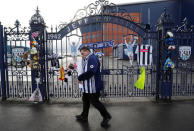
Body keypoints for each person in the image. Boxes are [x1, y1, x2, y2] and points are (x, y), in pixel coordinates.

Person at [76, 46, 111, 127]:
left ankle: (106, 116)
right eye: (81, 54)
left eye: (83, 53)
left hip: (93, 87)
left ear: (87, 51)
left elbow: (91, 72)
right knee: (85, 100)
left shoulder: (92, 58)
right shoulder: (87, 58)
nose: (82, 55)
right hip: (87, 87)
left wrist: (80, 77)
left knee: (95, 102)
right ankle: (84, 116)